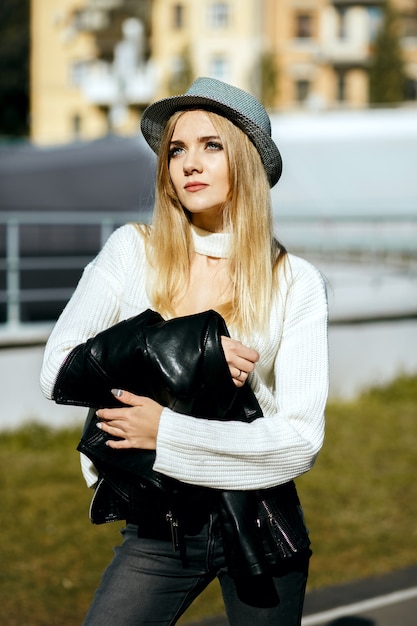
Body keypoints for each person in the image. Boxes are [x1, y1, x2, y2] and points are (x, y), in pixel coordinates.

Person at [40, 77, 328, 626]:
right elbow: (58, 370)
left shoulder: (294, 281)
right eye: (177, 149)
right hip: (159, 527)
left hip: (259, 522)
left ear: (244, 161)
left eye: (211, 145)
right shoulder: (133, 252)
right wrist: (190, 348)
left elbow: (299, 439)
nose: (189, 163)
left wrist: (165, 432)